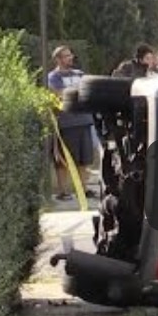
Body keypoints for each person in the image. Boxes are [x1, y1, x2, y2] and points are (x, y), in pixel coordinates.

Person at [46, 45, 97, 202]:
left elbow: (87, 92)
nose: (70, 58)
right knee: (64, 160)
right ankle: (63, 191)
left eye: (70, 55)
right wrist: (76, 92)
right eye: (66, 56)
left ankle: (84, 188)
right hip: (67, 122)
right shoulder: (53, 77)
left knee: (85, 158)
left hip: (84, 120)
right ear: (58, 59)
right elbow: (59, 95)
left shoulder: (80, 74)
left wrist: (74, 92)